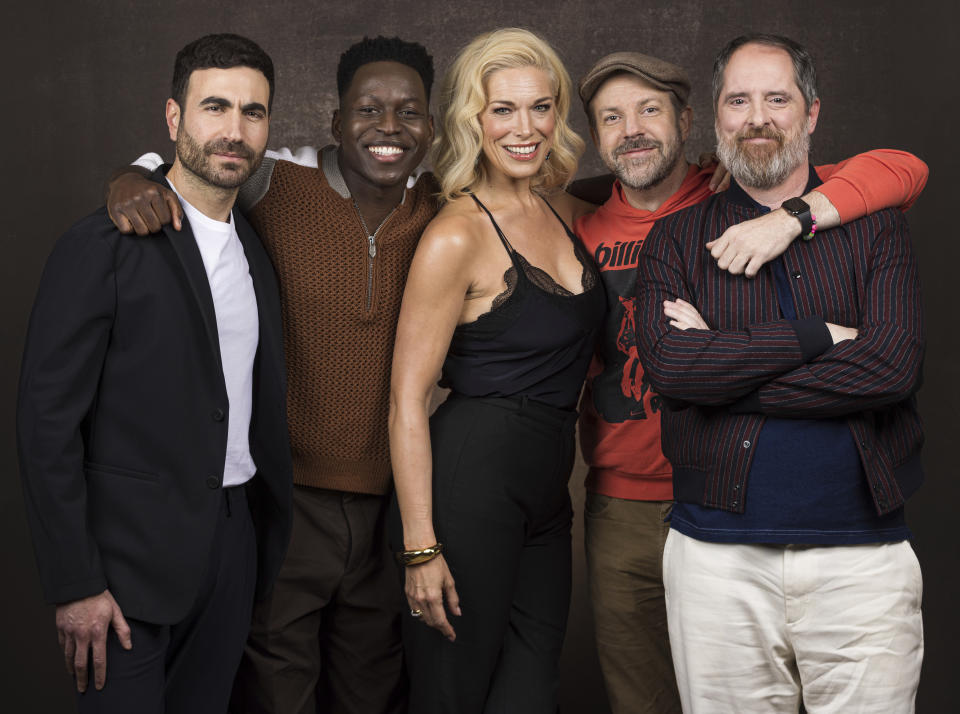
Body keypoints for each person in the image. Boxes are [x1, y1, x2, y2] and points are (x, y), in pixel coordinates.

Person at [572, 52, 927, 714]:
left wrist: (722, 370)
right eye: (738, 101)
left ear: (812, 112)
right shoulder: (664, 236)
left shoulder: (867, 220)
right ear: (716, 116)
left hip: (858, 551)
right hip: (692, 538)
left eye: (778, 99)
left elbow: (891, 366)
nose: (758, 118)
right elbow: (675, 371)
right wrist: (820, 337)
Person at [104, 36, 437, 714]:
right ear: (335, 121)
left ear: (432, 126)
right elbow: (200, 166)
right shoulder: (278, 181)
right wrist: (135, 174)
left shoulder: (439, 205)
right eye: (369, 110)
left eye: (409, 112)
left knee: (372, 691)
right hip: (287, 502)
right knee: (276, 692)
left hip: (390, 507)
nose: (389, 128)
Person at [17, 33, 292, 714]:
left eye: (253, 113)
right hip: (123, 564)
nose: (234, 131)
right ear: (174, 118)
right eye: (215, 107)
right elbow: (45, 423)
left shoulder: (259, 245)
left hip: (232, 545)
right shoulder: (104, 244)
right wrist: (74, 581)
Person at [388, 27, 604, 714]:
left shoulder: (563, 209)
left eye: (541, 107)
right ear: (472, 120)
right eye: (503, 110)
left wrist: (706, 176)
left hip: (548, 493)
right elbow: (406, 401)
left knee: (529, 690)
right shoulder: (457, 233)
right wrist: (420, 547)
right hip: (469, 484)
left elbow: (643, 205)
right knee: (452, 692)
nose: (526, 127)